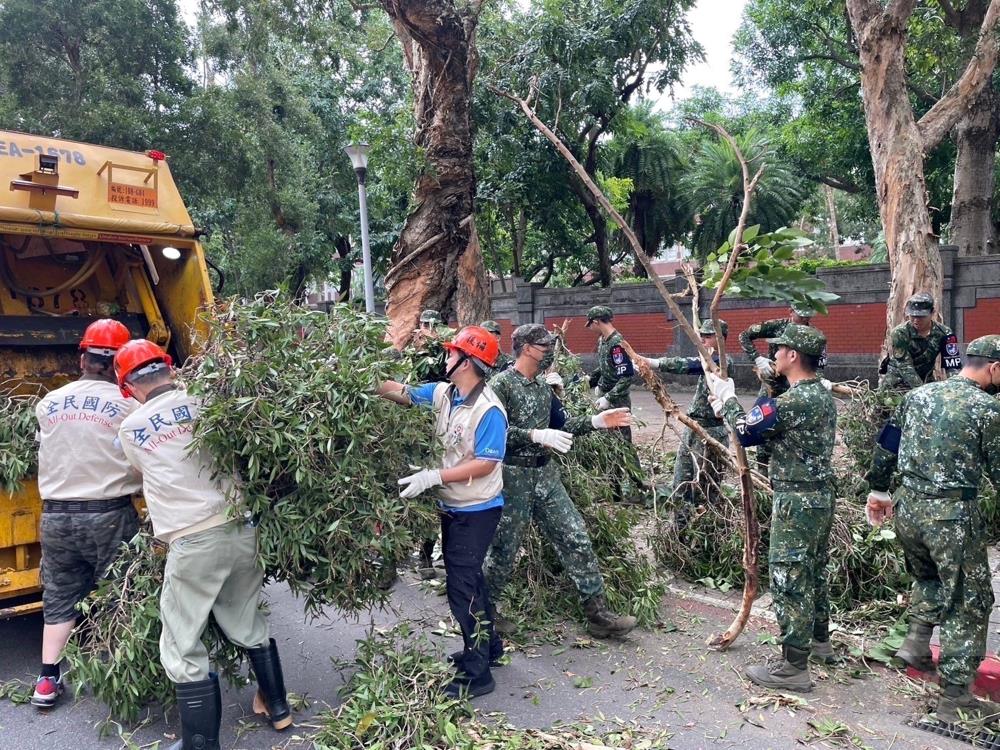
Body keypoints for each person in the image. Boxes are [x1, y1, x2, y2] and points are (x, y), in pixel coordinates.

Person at [114, 340, 292, 749]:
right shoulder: (209, 401)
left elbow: (146, 469)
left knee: (181, 641)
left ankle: (200, 744)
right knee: (246, 618)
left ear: (128, 388)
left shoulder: (130, 428)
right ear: (170, 369)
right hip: (242, 528)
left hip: (193, 539)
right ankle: (278, 707)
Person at [865, 335, 1000, 724]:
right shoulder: (986, 410)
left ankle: (916, 644)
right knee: (968, 599)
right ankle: (956, 697)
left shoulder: (919, 396)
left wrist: (878, 490)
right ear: (993, 368)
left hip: (908, 510)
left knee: (929, 579)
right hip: (951, 517)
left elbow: (886, 444)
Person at [377, 326, 508, 699]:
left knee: (461, 586)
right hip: (453, 506)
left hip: (478, 510)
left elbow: (485, 463)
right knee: (470, 580)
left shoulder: (489, 410)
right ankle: (488, 647)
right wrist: (366, 379)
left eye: (452, 354)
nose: (446, 358)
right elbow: (403, 394)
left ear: (468, 363)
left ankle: (478, 673)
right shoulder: (444, 393)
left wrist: (434, 475)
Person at [484, 323, 637, 639]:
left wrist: (597, 421)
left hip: (546, 475)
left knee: (575, 535)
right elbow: (489, 434)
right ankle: (484, 613)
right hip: (513, 477)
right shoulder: (500, 385)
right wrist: (533, 435)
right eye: (543, 346)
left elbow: (564, 424)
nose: (549, 351)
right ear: (526, 348)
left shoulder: (542, 387)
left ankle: (598, 614)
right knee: (504, 548)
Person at [706, 324, 837, 691]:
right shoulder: (816, 394)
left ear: (793, 355)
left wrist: (727, 398)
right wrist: (771, 385)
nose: (774, 355)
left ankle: (794, 666)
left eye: (778, 350)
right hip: (820, 495)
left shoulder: (796, 401)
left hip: (797, 500)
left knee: (789, 575)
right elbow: (773, 412)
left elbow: (746, 432)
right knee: (814, 569)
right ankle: (820, 642)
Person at [31, 319, 141, 709]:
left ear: (83, 357)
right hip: (108, 513)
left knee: (59, 595)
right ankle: (129, 674)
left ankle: (46, 681)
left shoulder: (47, 403)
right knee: (122, 592)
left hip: (56, 516)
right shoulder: (129, 406)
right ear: (121, 364)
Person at [638, 319, 733, 528]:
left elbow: (687, 365)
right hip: (693, 428)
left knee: (707, 488)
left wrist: (655, 363)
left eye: (707, 337)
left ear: (720, 339)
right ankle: (679, 531)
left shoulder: (722, 364)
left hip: (711, 433)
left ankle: (709, 532)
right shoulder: (706, 359)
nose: (703, 340)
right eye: (703, 336)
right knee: (681, 481)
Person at [738, 303, 827, 475]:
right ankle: (762, 475)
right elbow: (744, 335)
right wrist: (757, 359)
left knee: (791, 432)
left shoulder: (814, 336)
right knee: (761, 429)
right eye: (801, 316)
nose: (805, 320)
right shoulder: (776, 326)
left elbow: (819, 365)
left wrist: (820, 381)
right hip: (772, 387)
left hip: (797, 389)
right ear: (791, 311)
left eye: (808, 316)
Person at [878, 292, 961, 392]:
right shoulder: (900, 333)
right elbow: (905, 367)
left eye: (921, 316)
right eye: (912, 316)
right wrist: (922, 392)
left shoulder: (945, 333)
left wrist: (956, 388)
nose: (916, 320)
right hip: (898, 385)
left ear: (932, 312)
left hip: (926, 381)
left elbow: (952, 365)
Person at [586, 306, 635, 435]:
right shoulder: (603, 340)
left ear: (596, 322)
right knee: (605, 438)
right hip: (604, 394)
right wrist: (591, 379)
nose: (589, 328)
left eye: (590, 324)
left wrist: (608, 398)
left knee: (621, 439)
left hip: (618, 400)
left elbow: (627, 376)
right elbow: (606, 366)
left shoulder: (616, 343)